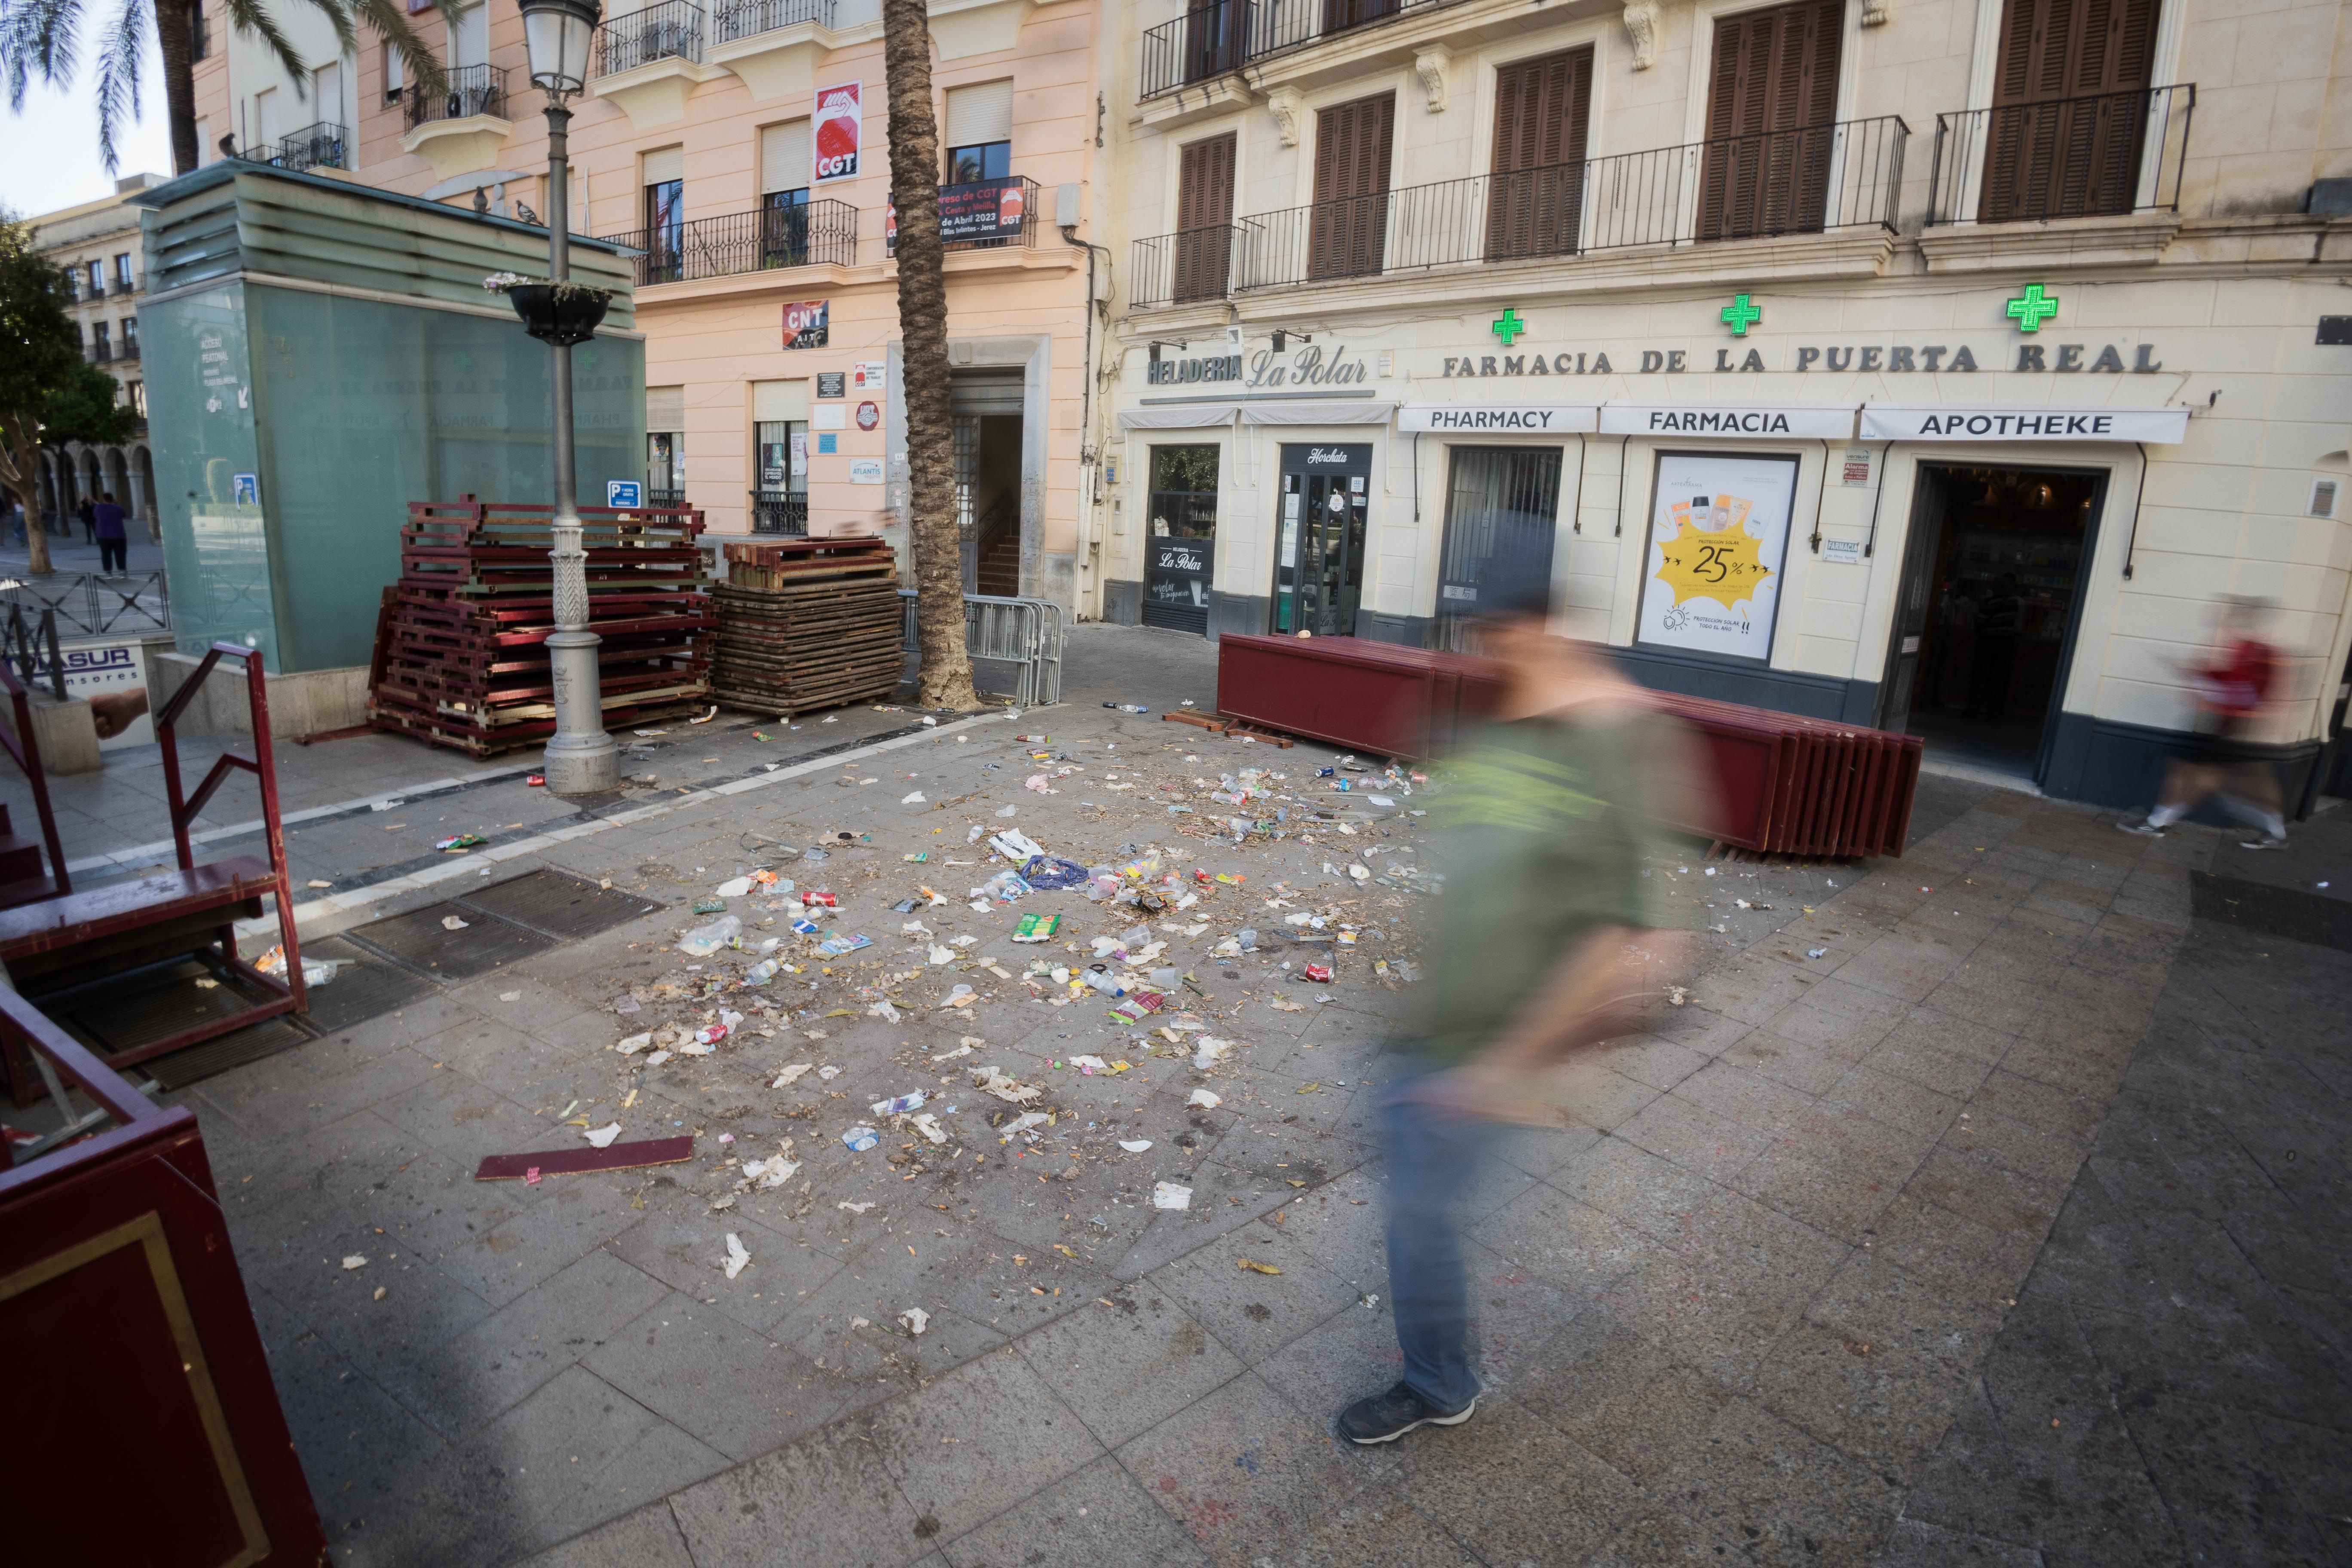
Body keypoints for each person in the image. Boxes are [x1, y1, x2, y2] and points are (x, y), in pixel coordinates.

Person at [1334, 576, 1709, 1446]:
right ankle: (1437, 1370)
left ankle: (1438, 1385)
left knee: (1417, 1212)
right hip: (1439, 1032)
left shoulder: (1620, 736)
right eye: (1480, 638)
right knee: (1414, 1205)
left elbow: (1637, 932)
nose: (1488, 655)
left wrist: (1505, 1069)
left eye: (1501, 637)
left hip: (1500, 1050)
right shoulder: (1504, 723)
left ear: (1543, 627)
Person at [2118, 597, 2289, 848]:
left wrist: (2207, 686)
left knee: (2207, 778)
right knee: (2194, 772)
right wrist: (2195, 673)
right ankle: (2158, 822)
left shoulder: (2262, 653)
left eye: (2238, 615)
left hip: (2236, 724)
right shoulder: (2245, 648)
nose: (2230, 619)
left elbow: (2248, 693)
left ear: (2253, 619)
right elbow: (2230, 678)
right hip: (2224, 722)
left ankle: (2158, 823)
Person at [1965, 573, 2022, 721]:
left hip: (1988, 642)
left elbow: (1980, 622)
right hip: (2006, 643)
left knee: (1980, 677)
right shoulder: (2013, 602)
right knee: (1999, 679)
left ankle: (1973, 709)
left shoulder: (1988, 603)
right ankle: (1994, 713)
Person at [91, 491, 128, 575]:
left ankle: (108, 572)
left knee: (106, 554)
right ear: (113, 499)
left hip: (103, 535)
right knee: (120, 554)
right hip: (119, 535)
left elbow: (95, 515)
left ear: (104, 499)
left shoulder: (98, 508)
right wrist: (116, 504)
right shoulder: (118, 508)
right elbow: (123, 514)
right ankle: (122, 571)